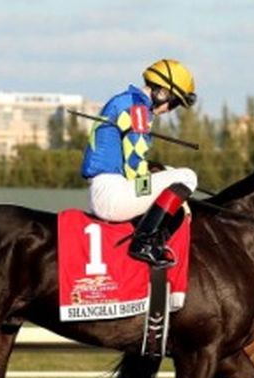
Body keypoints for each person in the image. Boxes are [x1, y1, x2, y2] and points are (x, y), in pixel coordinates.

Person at [80, 59, 199, 267]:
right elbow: (134, 165)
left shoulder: (128, 101)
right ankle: (144, 242)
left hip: (106, 189)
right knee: (187, 177)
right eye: (174, 103)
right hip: (113, 194)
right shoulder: (138, 109)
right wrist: (156, 185)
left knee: (170, 172)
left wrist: (159, 176)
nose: (171, 110)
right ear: (162, 93)